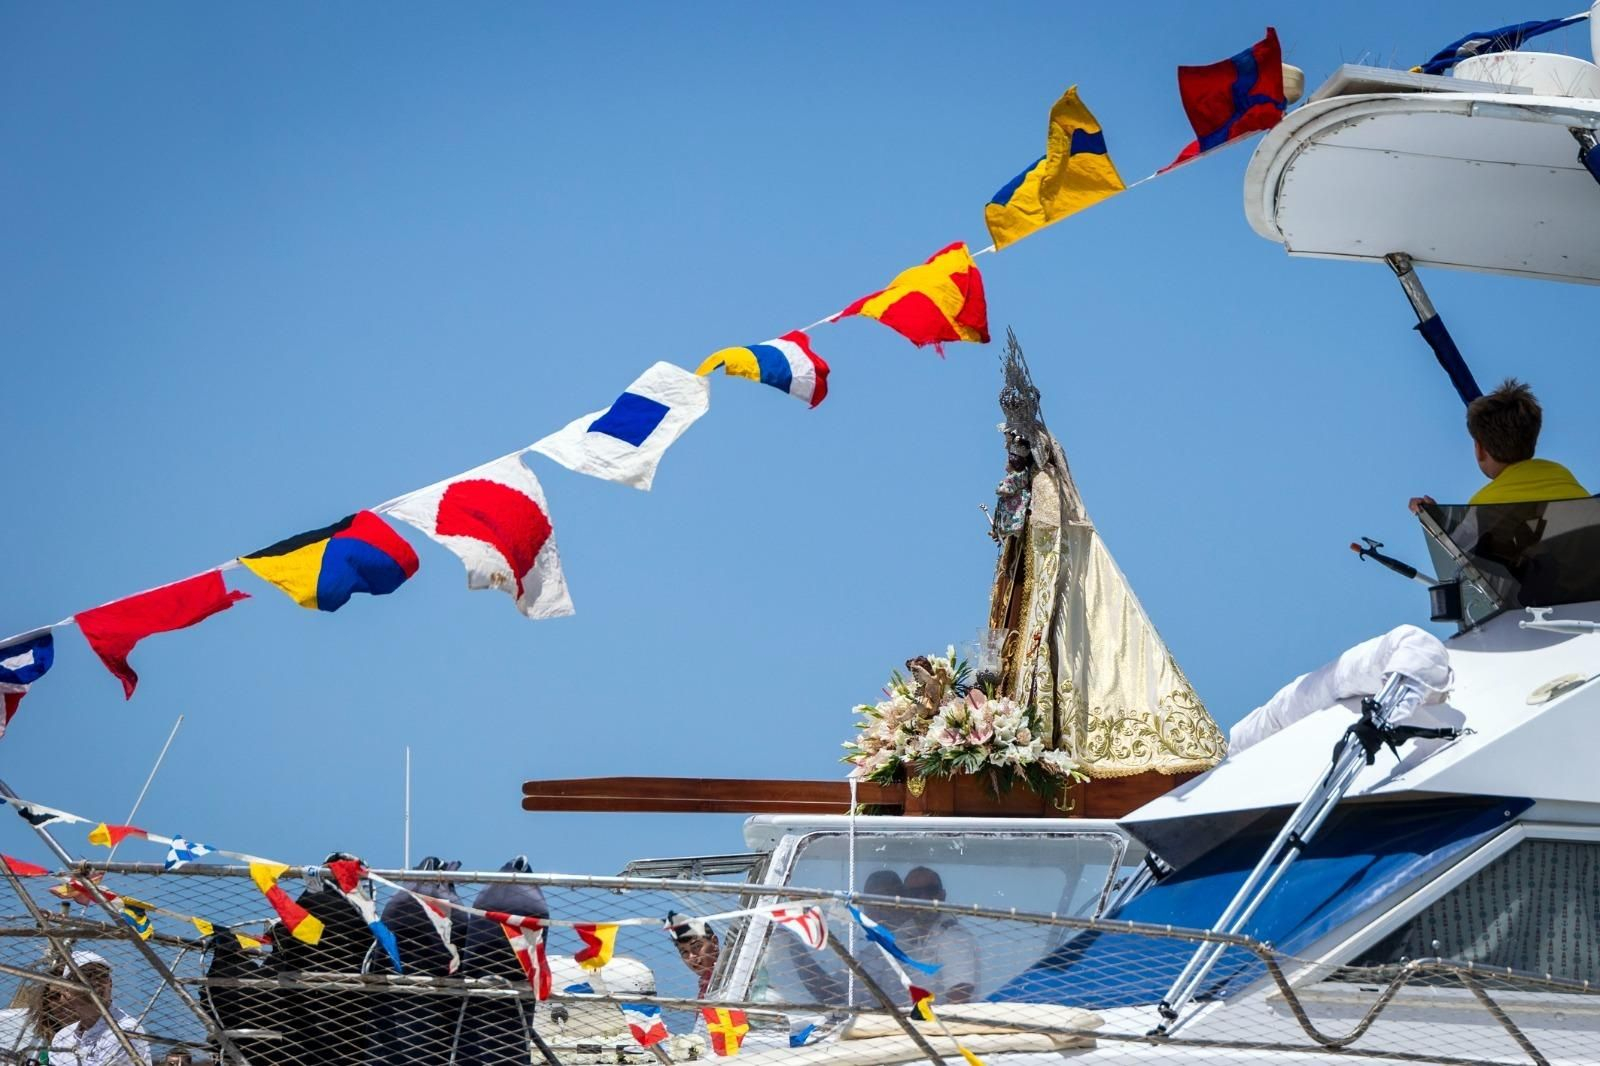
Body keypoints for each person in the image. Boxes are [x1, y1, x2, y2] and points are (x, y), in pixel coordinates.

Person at [1410, 378, 1588, 513]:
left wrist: (1435, 518)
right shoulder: (1559, 473)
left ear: (1480, 450)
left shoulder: (1483, 505)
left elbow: (1461, 553)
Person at [47, 950, 152, 1065]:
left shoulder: (126, 1029)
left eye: (102, 975)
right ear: (67, 990)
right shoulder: (62, 1038)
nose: (95, 981)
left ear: (110, 983)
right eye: (85, 976)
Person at [895, 867, 980, 1004]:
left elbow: (959, 999)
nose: (923, 898)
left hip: (935, 1024)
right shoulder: (901, 934)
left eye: (930, 890)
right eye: (914, 893)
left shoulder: (953, 936)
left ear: (942, 895)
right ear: (905, 900)